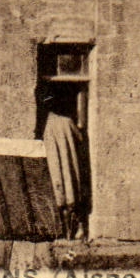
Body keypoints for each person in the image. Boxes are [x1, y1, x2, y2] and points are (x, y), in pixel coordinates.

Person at [38, 87, 88, 239]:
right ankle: (77, 229)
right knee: (72, 192)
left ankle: (65, 232)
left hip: (55, 166)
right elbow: (80, 138)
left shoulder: (47, 126)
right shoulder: (67, 122)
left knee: (60, 196)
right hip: (69, 164)